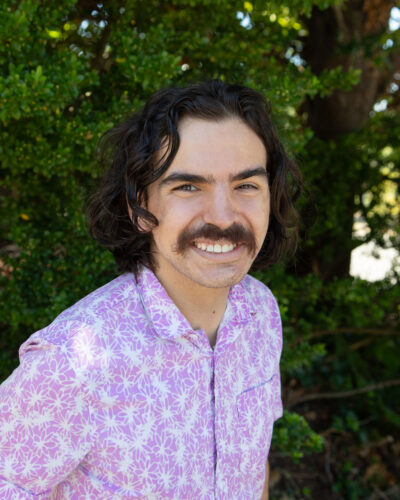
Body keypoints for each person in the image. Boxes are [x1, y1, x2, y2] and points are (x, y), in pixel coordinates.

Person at [0, 80, 302, 499]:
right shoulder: (71, 362)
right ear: (140, 207)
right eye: (188, 186)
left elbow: (252, 462)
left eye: (246, 185)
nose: (223, 215)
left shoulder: (261, 312)